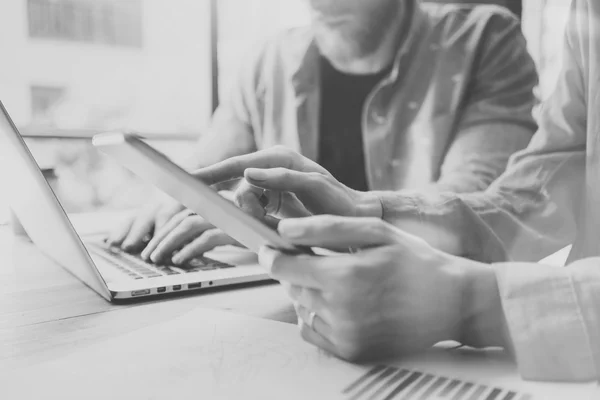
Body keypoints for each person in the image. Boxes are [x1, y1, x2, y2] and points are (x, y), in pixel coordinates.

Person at [190, 0, 600, 382]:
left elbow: (482, 188)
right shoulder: (587, 14)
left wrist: (469, 304)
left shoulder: (483, 40)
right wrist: (368, 209)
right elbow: (530, 200)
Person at [107, 0, 537, 265]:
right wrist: (167, 201)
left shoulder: (484, 39)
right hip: (284, 300)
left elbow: (478, 213)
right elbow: (203, 171)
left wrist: (294, 234)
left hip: (423, 316)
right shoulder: (268, 60)